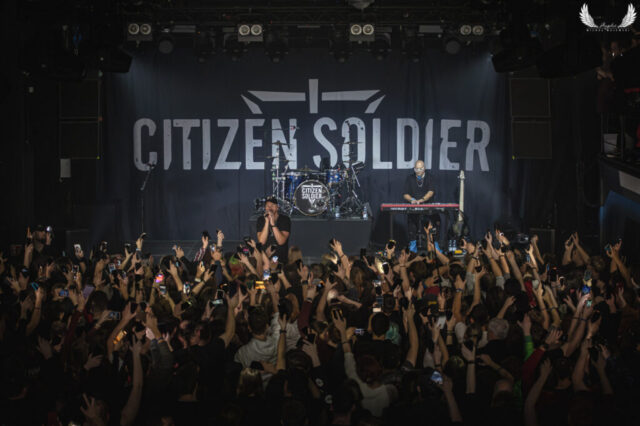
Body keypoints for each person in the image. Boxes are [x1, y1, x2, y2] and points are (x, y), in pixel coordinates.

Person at [402, 160, 434, 253]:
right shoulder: (410, 178)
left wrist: (422, 200)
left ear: (424, 168)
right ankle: (413, 248)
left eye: (420, 169)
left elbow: (431, 192)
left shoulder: (430, 177)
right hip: (413, 208)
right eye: (416, 169)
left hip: (427, 207)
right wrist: (412, 200)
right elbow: (405, 194)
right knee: (411, 225)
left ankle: (433, 246)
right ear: (414, 169)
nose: (418, 171)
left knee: (431, 225)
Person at [256, 196, 291, 264]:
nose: (270, 208)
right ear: (265, 208)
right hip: (265, 259)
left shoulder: (285, 219)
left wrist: (272, 223)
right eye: (267, 206)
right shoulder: (261, 220)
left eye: (272, 205)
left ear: (277, 207)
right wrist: (267, 222)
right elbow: (261, 241)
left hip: (280, 259)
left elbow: (281, 241)